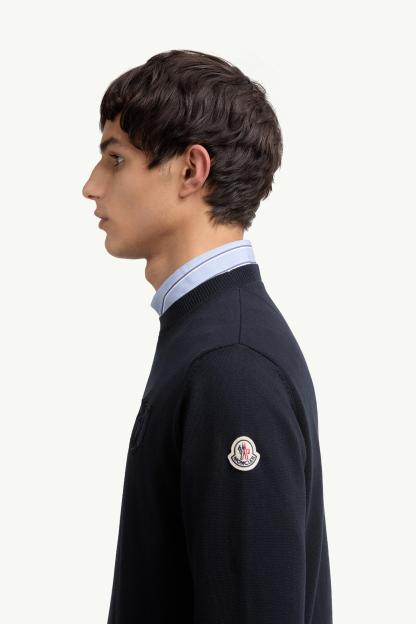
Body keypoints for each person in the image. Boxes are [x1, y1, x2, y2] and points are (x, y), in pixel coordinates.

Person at [82, 49, 333, 624]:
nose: (91, 186)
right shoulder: (208, 337)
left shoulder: (231, 365)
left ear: (192, 171)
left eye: (116, 159)